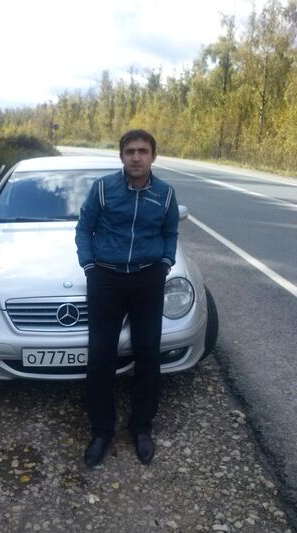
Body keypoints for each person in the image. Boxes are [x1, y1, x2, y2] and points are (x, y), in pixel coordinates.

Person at [75, 129, 179, 467]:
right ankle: (101, 431)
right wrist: (89, 266)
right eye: (130, 151)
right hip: (106, 278)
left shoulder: (165, 194)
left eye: (143, 151)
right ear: (121, 156)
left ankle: (142, 428)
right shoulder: (103, 188)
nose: (136, 157)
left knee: (148, 353)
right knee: (100, 356)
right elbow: (84, 228)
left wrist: (165, 263)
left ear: (153, 156)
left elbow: (170, 232)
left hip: (148, 278)